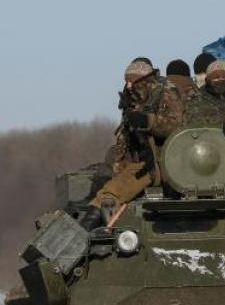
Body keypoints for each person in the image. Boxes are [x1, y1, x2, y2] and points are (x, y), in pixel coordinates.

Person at [78, 60, 185, 230]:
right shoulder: (136, 99)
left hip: (165, 161)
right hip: (141, 161)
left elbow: (176, 125)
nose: (127, 86)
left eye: (131, 81)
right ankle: (87, 228)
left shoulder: (166, 92)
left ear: (143, 80)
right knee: (106, 191)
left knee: (111, 193)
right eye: (126, 81)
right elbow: (126, 140)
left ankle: (86, 230)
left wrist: (147, 120)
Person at [185, 60, 225, 126]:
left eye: (224, 77)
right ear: (208, 81)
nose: (220, 80)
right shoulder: (197, 101)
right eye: (216, 77)